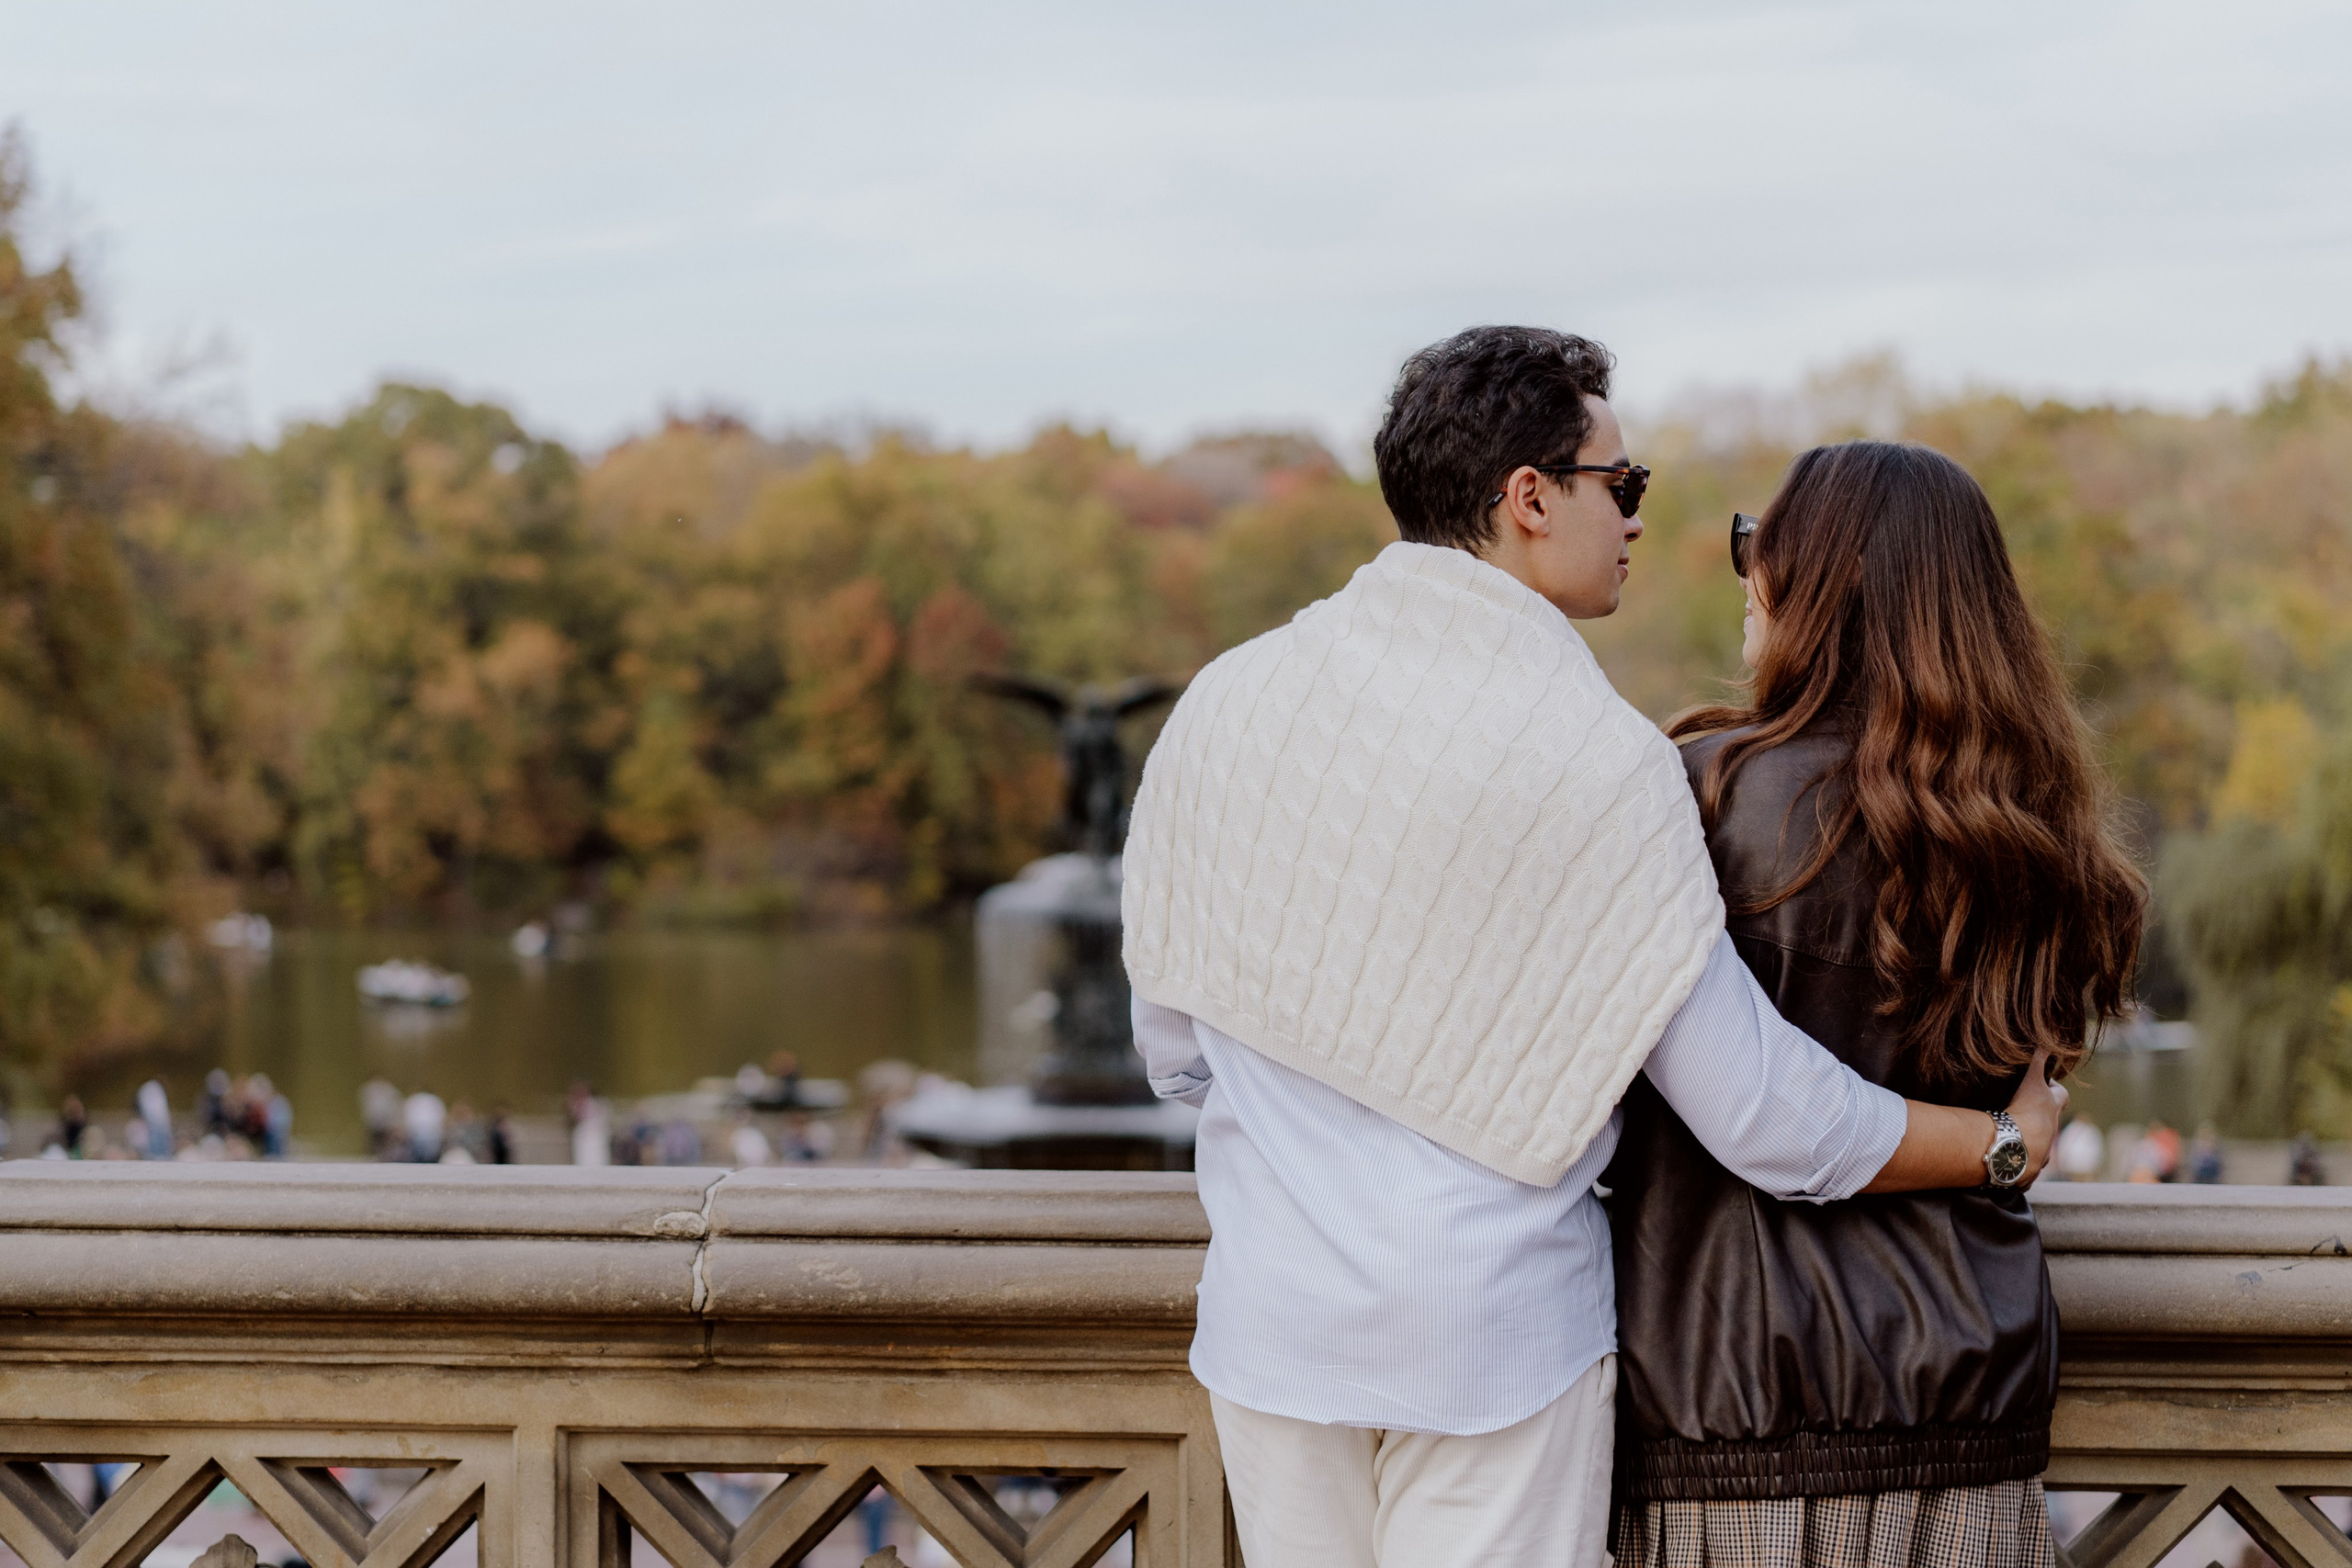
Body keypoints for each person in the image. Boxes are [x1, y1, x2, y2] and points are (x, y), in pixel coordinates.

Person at [1123, 328, 2067, 1568]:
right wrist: (1999, 1140)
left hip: (1277, 1324)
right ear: (1529, 498)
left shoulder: (1223, 703)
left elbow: (1177, 1049)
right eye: (1621, 486)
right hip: (1496, 1335)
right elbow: (1760, 1110)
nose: (1634, 518)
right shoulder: (1601, 758)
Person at [1609, 442, 2146, 1567]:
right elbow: (2028, 1099)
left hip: (1735, 1423)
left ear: (1819, 582)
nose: (1743, 571)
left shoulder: (1700, 797)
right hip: (1972, 1425)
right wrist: (2004, 1149)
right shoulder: (2033, 839)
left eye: (1759, 545)